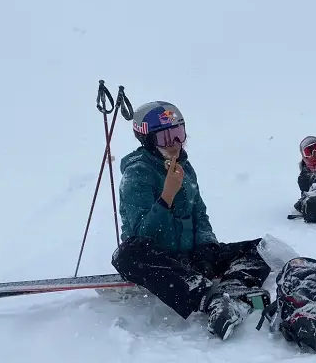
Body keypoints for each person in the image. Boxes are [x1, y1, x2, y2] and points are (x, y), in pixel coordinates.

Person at [111, 100, 272, 340]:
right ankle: (209, 300)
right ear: (147, 140)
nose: (175, 143)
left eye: (178, 134)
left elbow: (199, 214)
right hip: (161, 259)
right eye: (165, 138)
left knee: (262, 248)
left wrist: (206, 248)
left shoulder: (185, 167)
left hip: (191, 255)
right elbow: (140, 235)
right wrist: (167, 196)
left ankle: (234, 290)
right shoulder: (137, 174)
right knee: (126, 255)